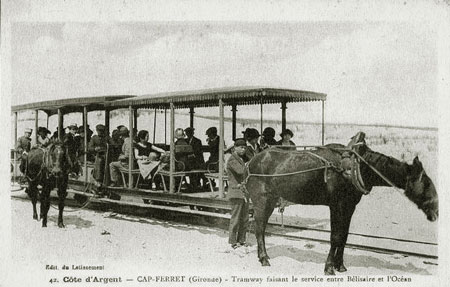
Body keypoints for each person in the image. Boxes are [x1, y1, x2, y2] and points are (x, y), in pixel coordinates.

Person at [226, 138, 250, 250]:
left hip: (243, 192)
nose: (243, 149)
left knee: (244, 218)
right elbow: (241, 171)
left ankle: (242, 240)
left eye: (245, 148)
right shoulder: (232, 160)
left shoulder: (241, 159)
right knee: (235, 218)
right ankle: (232, 241)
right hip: (236, 191)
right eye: (241, 147)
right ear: (235, 148)